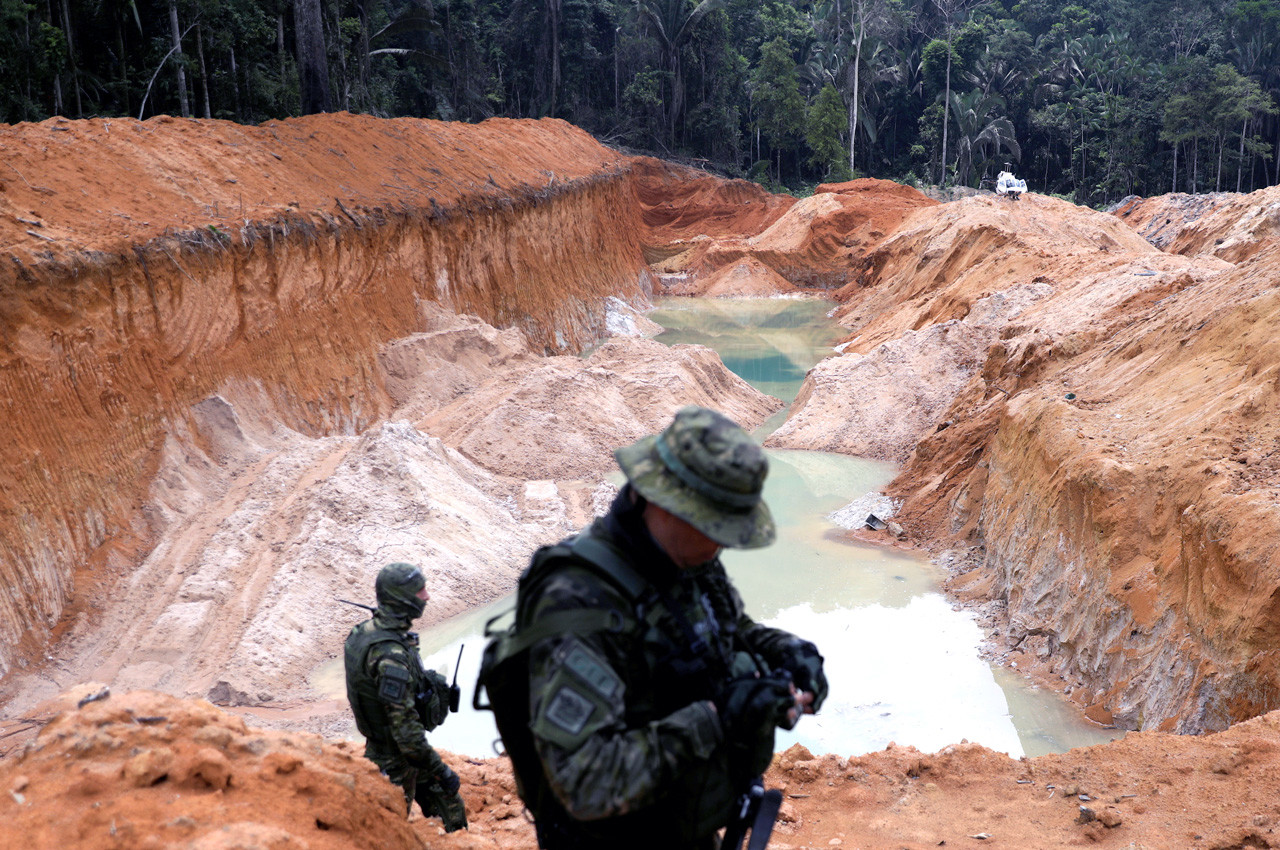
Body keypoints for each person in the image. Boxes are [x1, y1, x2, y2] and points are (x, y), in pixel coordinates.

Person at [490, 405, 828, 849]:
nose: (724, 542)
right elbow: (587, 782)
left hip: (683, 827)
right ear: (664, 502)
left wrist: (787, 650)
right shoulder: (578, 603)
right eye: (715, 526)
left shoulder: (687, 558)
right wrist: (718, 718)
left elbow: (729, 625)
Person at [344, 562, 467, 832]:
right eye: (420, 590)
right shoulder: (389, 655)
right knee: (388, 831)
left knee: (450, 805)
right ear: (402, 598)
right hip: (393, 760)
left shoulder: (369, 632)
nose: (427, 596)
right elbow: (406, 732)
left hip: (405, 754)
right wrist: (441, 770)